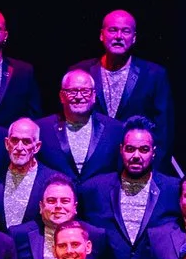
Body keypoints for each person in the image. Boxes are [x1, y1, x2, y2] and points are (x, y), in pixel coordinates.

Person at [79, 118, 179, 259]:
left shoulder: (172, 190)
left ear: (154, 153)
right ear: (121, 150)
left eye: (144, 149)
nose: (136, 155)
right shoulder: (94, 189)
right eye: (130, 149)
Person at [66, 9, 175, 168]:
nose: (118, 36)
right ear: (102, 35)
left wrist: (155, 171)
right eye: (113, 30)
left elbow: (163, 131)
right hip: (92, 166)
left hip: (137, 165)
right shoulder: (81, 72)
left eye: (125, 31)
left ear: (134, 38)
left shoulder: (154, 75)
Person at [38, 67, 127, 183]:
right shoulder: (43, 129)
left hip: (100, 199)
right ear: (61, 96)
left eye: (85, 91)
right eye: (72, 91)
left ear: (93, 95)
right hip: (59, 199)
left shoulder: (115, 130)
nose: (79, 97)